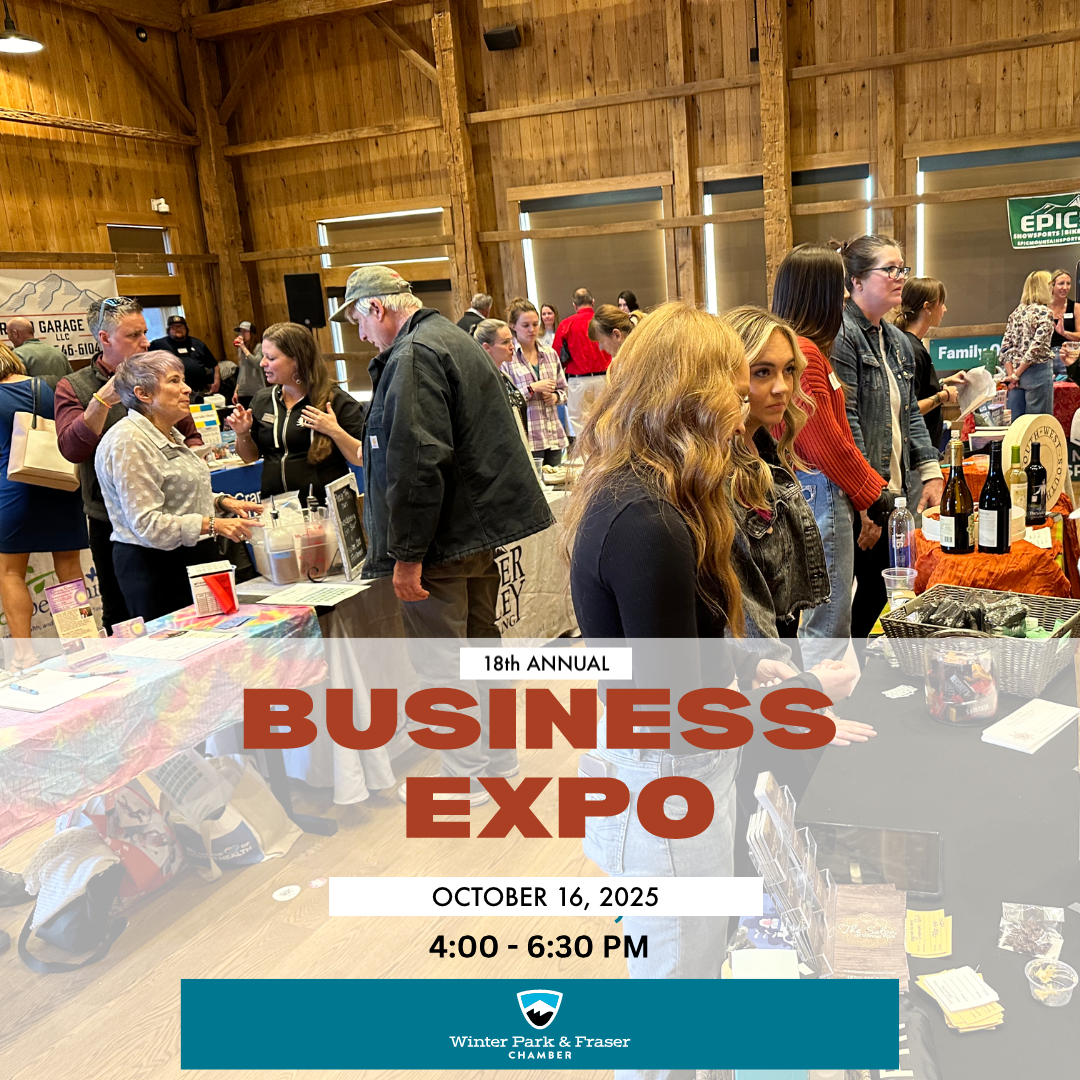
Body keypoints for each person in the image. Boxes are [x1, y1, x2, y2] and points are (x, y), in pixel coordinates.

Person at [564, 302, 857, 1047]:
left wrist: (749, 662)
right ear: (688, 393)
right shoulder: (645, 517)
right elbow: (668, 702)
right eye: (735, 382)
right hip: (666, 782)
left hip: (670, 774)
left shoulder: (657, 496)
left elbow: (682, 640)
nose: (747, 400)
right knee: (674, 989)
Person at [331, 265, 554, 805]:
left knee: (442, 661)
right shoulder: (452, 338)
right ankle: (495, 761)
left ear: (376, 309)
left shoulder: (412, 355)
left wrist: (408, 555)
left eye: (359, 323)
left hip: (441, 540)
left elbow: (415, 460)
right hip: (471, 532)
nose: (361, 336)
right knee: (481, 651)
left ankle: (467, 774)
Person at [771, 244, 890, 666]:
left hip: (816, 489)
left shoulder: (802, 349)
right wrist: (874, 493)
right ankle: (821, 711)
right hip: (822, 490)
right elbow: (825, 441)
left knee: (820, 615)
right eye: (837, 287)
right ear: (818, 293)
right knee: (830, 618)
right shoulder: (805, 353)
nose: (843, 297)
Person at [55, 297, 201, 633]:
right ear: (105, 339)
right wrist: (102, 401)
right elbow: (71, 449)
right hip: (112, 522)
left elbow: (190, 434)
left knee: (178, 615)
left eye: (145, 333)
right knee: (122, 614)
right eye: (133, 335)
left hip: (170, 518)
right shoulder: (74, 386)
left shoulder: (159, 379)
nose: (145, 342)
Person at [832, 235, 943, 641]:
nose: (900, 278)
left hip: (891, 491)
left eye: (902, 269)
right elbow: (849, 424)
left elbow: (910, 411)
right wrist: (867, 503)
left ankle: (863, 668)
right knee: (863, 597)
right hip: (859, 497)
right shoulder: (842, 336)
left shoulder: (896, 341)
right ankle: (851, 675)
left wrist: (930, 471)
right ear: (857, 281)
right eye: (890, 270)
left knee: (890, 589)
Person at [95, 351, 262, 622]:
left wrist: (220, 502)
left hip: (193, 558)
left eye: (183, 380)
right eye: (174, 381)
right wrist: (214, 524)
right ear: (143, 394)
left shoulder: (168, 431)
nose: (186, 389)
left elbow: (175, 491)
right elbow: (149, 525)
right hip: (158, 570)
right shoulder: (129, 442)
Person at [0, 345, 88, 668]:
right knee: (69, 568)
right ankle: (81, 645)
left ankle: (24, 656)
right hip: (60, 483)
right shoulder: (50, 386)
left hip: (13, 489)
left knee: (10, 572)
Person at [226, 323, 365, 500]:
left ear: (297, 360)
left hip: (327, 508)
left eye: (271, 358)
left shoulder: (337, 401)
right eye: (263, 357)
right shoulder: (262, 400)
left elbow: (361, 458)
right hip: (278, 510)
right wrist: (242, 433)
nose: (262, 363)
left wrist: (334, 431)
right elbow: (249, 458)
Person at [499, 298, 568, 469]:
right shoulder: (508, 358)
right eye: (526, 325)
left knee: (556, 488)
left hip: (553, 435)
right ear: (513, 326)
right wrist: (531, 389)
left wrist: (555, 397)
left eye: (535, 324)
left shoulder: (550, 353)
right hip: (528, 437)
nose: (532, 330)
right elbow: (505, 399)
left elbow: (564, 390)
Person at [893, 276, 956, 451]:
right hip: (918, 453)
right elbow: (909, 408)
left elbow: (918, 390)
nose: (944, 309)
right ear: (927, 307)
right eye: (941, 303)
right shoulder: (912, 350)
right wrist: (943, 396)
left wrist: (946, 382)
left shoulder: (910, 344)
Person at [552, 287, 611, 436]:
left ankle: (586, 457)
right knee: (606, 421)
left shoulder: (566, 325)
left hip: (578, 382)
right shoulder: (603, 323)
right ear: (592, 302)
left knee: (580, 424)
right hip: (604, 379)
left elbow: (556, 356)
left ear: (574, 305)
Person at [1001, 270, 1054, 419]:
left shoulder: (1016, 313)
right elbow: (1036, 349)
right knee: (1037, 425)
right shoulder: (1045, 313)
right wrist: (1016, 375)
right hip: (1037, 373)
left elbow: (1005, 347)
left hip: (1015, 376)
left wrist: (1012, 374)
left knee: (1017, 425)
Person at [473, 317, 530, 441]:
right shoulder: (480, 381)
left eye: (511, 341)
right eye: (505, 342)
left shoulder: (505, 376)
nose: (512, 347)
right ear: (487, 348)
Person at [150, 314, 220, 403]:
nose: (178, 329)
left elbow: (214, 365)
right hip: (174, 395)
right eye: (174, 327)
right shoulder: (158, 345)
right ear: (169, 330)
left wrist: (216, 382)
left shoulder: (197, 344)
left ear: (186, 328)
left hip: (200, 392)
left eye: (181, 326)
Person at [5, 317, 72, 378]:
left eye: (8, 333)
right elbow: (71, 381)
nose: (8, 338)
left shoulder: (17, 354)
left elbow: (17, 386)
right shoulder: (58, 352)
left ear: (15, 333)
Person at [1048, 268, 1079, 377]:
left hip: (1067, 354)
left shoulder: (1076, 308)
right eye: (1061, 284)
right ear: (1052, 285)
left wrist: (1064, 333)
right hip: (1046, 357)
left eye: (1068, 284)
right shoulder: (1042, 308)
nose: (1065, 288)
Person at [232, 320, 265, 408]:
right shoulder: (241, 349)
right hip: (243, 391)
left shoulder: (259, 347)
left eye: (244, 331)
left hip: (256, 390)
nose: (242, 334)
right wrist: (236, 391)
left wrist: (243, 347)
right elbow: (241, 370)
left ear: (251, 333)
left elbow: (257, 363)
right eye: (240, 331)